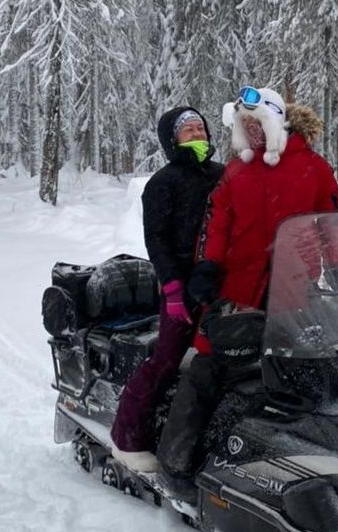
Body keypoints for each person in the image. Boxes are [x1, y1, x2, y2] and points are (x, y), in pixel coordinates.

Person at [156, 87, 338, 497]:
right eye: (245, 126)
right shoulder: (236, 172)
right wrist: (207, 265)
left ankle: (310, 459)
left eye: (257, 123)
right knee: (209, 367)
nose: (252, 132)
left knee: (306, 369)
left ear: (275, 122)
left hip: (295, 288)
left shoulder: (313, 168)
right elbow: (217, 223)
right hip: (237, 290)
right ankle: (176, 463)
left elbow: (333, 220)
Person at [110, 106, 224, 472]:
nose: (197, 133)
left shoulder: (222, 174)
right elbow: (156, 239)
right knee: (167, 358)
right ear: (172, 139)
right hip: (180, 284)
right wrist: (173, 288)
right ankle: (127, 437)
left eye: (200, 128)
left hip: (219, 282)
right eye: (188, 130)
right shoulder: (163, 182)